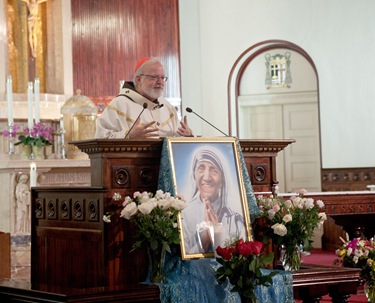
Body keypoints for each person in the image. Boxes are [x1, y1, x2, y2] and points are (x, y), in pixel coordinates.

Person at [95, 57, 193, 139]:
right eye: (154, 77)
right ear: (139, 79)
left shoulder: (167, 107)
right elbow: (101, 138)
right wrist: (128, 136)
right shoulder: (120, 104)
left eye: (162, 78)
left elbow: (176, 139)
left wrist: (188, 136)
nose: (160, 82)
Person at [181, 146, 246, 254]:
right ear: (194, 174)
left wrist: (217, 234)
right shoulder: (185, 214)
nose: (206, 177)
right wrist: (204, 241)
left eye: (214, 170)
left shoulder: (235, 217)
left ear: (223, 179)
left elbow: (242, 258)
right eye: (201, 168)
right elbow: (182, 262)